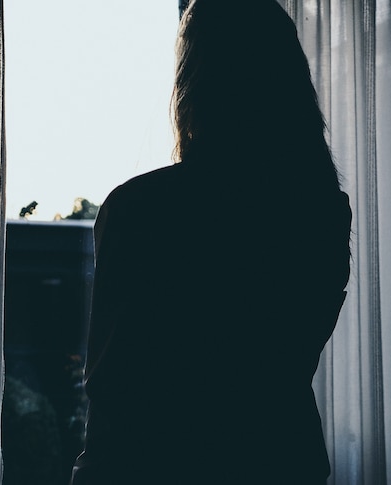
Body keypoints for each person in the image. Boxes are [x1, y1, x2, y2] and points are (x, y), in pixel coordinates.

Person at [70, 1, 351, 483]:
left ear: (193, 80)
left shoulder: (141, 208)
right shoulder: (322, 209)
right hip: (282, 459)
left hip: (162, 465)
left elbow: (117, 387)